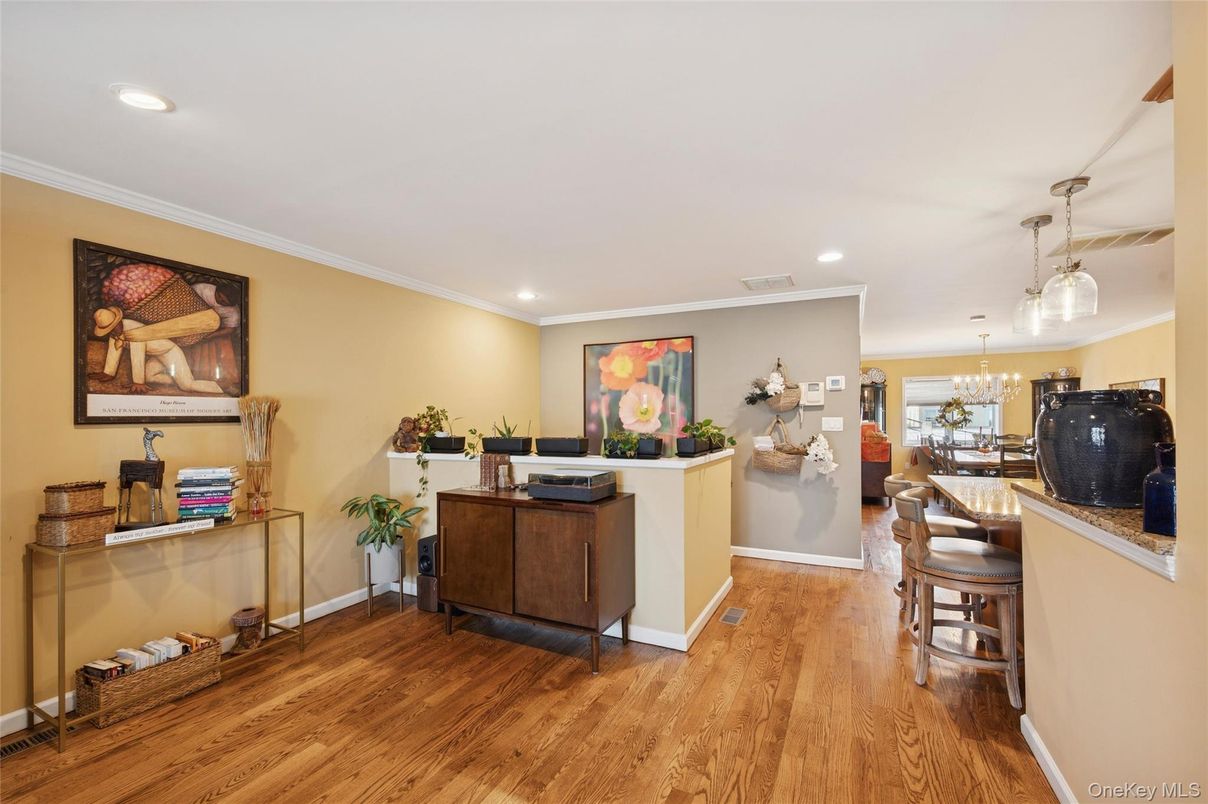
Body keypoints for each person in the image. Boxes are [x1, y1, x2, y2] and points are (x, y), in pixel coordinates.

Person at [89, 306, 224, 395]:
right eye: (109, 329)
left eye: (113, 327)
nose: (112, 331)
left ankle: (220, 387)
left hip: (169, 351)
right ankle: (175, 379)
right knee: (149, 377)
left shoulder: (134, 330)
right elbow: (114, 349)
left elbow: (138, 355)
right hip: (156, 355)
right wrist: (108, 372)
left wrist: (138, 382)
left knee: (186, 385)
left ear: (118, 321)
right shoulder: (115, 333)